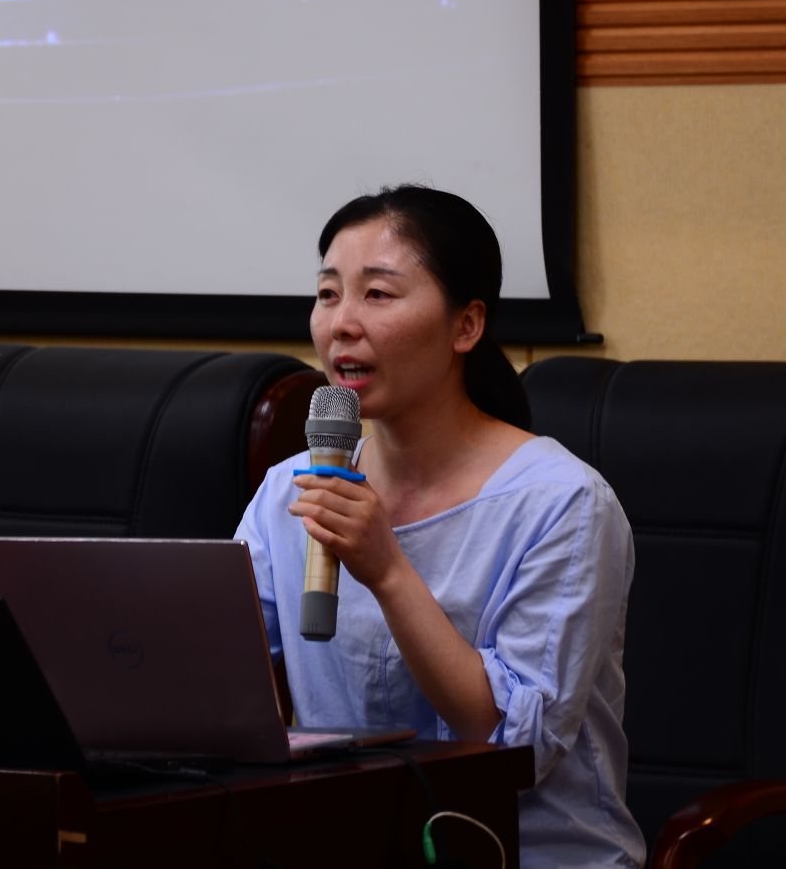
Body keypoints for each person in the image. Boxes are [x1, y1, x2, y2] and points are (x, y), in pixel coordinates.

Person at [234, 185, 644, 867]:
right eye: (328, 294)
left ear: (466, 326)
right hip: (354, 844)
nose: (341, 324)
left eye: (378, 294)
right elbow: (217, 670)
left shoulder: (562, 504)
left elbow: (515, 748)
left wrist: (388, 570)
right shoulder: (292, 489)